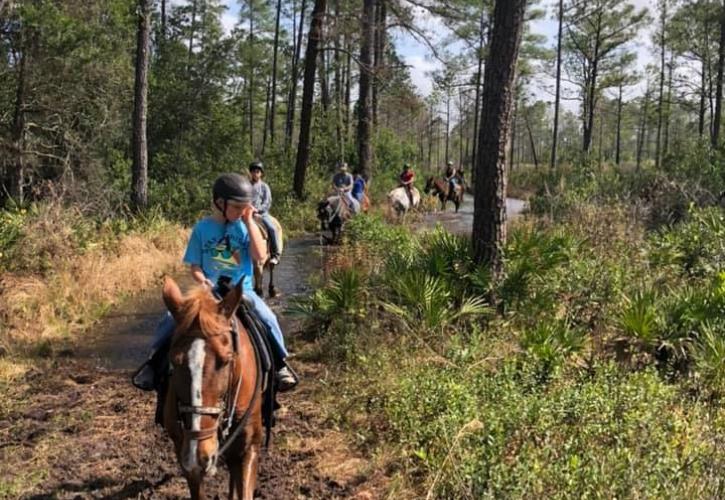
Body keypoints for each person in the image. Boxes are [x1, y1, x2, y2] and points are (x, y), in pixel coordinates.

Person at [133, 173, 297, 399]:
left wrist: (249, 221)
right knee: (171, 319)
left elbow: (260, 257)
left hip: (241, 290)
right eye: (238, 206)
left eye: (244, 206)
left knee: (266, 316)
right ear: (220, 203)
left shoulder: (245, 226)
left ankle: (280, 364)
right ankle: (152, 363)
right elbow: (195, 266)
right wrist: (202, 280)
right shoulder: (202, 229)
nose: (242, 210)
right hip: (207, 291)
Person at [248, 161, 280, 265]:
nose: (255, 174)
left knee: (272, 228)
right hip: (247, 213)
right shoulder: (246, 186)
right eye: (253, 171)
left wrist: (258, 210)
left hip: (262, 213)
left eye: (257, 172)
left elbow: (267, 201)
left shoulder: (264, 187)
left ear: (261, 173)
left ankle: (275, 254)